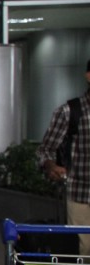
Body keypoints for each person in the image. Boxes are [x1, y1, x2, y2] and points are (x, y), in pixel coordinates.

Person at [37, 60, 90, 254]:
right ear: (88, 76)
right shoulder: (70, 111)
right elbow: (46, 150)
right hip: (81, 193)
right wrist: (51, 166)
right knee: (86, 250)